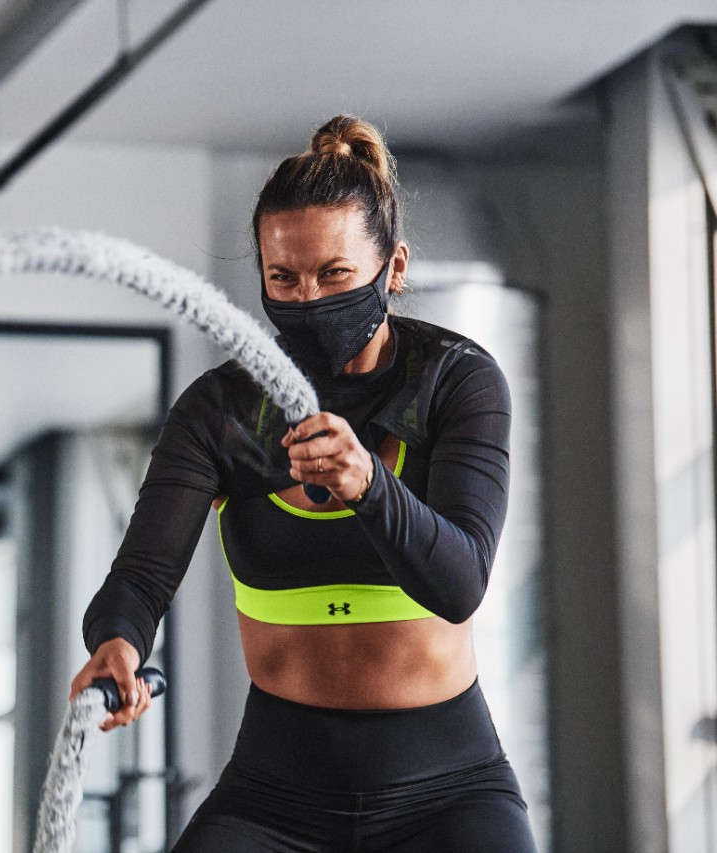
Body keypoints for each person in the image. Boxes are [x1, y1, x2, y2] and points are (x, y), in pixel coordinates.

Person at [68, 115, 537, 852]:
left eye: (335, 274)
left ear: (395, 268)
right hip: (273, 796)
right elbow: (142, 574)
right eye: (283, 278)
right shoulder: (222, 409)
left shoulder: (458, 383)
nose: (309, 298)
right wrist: (118, 642)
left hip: (446, 793)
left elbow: (460, 581)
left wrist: (369, 486)